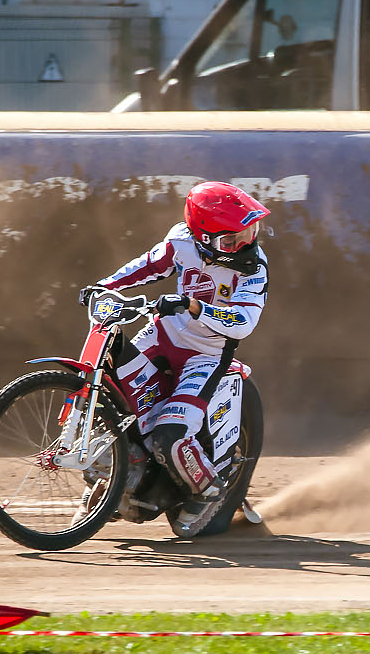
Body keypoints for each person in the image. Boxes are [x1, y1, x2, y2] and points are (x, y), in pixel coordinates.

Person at [83, 180, 269, 509]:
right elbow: (149, 265)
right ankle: (117, 473)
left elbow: (243, 323)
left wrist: (195, 306)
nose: (244, 245)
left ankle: (208, 491)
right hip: (162, 335)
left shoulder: (255, 270)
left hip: (208, 354)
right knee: (111, 382)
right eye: (232, 240)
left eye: (249, 234)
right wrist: (104, 286)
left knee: (168, 437)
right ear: (204, 238)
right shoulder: (181, 241)